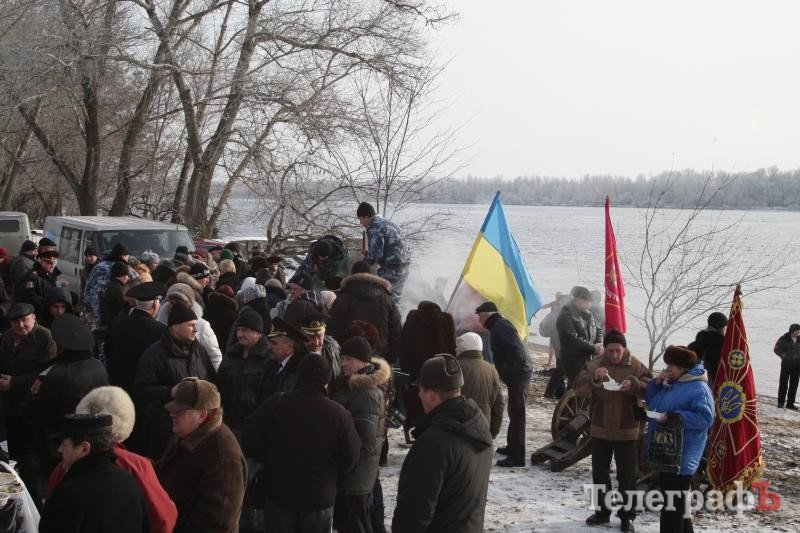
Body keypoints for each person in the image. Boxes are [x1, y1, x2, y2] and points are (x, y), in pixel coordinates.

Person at [242, 354, 361, 533]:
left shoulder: (276, 404)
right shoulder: (338, 415)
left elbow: (249, 439)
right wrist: (330, 474)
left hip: (280, 492)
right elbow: (351, 457)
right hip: (318, 495)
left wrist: (267, 459)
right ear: (326, 381)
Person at [46, 386, 179, 533]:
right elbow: (163, 518)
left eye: (64, 444)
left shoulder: (65, 467)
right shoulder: (137, 466)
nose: (60, 450)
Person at [392, 355, 493, 532]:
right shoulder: (478, 424)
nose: (419, 395)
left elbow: (414, 514)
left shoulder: (433, 443)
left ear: (432, 396)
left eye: (421, 390)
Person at [573, 329, 651, 532]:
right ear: (605, 349)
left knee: (627, 476)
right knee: (600, 474)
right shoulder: (595, 364)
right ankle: (602, 512)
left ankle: (627, 517)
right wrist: (594, 378)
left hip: (627, 429)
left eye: (618, 350)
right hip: (600, 428)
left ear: (624, 348)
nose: (614, 355)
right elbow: (577, 388)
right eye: (610, 351)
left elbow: (651, 390)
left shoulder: (636, 365)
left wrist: (634, 384)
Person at [25, 314, 109, 504]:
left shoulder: (55, 374)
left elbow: (39, 413)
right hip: (93, 440)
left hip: (61, 443)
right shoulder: (98, 367)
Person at [157, 378, 246, 533]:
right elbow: (164, 470)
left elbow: (217, 522)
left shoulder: (223, 458)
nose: (172, 414)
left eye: (180, 411)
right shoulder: (185, 434)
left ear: (202, 415)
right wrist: (136, 465)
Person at [39, 413, 150, 533]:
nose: (60, 449)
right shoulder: (129, 482)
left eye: (65, 445)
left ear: (84, 448)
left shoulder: (69, 495)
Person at [645, 346, 714, 533]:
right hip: (667, 451)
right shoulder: (674, 383)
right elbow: (653, 402)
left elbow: (705, 418)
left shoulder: (699, 388)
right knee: (678, 504)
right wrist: (656, 384)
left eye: (672, 366)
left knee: (672, 508)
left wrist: (674, 417)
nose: (668, 369)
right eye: (667, 365)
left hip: (682, 455)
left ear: (684, 367)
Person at [134, 304, 216, 459]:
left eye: (196, 325)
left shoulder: (199, 350)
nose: (195, 330)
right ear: (175, 327)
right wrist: (170, 392)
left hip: (199, 430)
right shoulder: (154, 355)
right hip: (167, 432)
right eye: (191, 325)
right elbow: (142, 391)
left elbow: (211, 381)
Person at [330, 336, 390, 533]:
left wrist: (341, 462)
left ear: (363, 361)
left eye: (349, 359)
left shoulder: (365, 393)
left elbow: (364, 442)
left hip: (355, 479)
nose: (343, 363)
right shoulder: (353, 387)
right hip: (355, 477)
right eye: (342, 358)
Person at [476, 301, 532, 467]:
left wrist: (507, 371)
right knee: (513, 411)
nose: (479, 321)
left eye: (480, 317)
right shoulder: (499, 325)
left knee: (518, 413)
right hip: (518, 372)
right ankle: (511, 446)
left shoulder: (500, 327)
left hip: (519, 373)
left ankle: (518, 457)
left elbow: (515, 350)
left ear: (486, 316)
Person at [0, 303, 57, 462]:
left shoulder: (44, 337)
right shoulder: (7, 337)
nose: (20, 325)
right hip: (9, 405)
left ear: (33, 318)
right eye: (15, 322)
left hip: (32, 404)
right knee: (14, 449)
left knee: (33, 453)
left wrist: (14, 383)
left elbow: (46, 373)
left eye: (25, 320)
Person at [398, 301, 456, 440]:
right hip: (441, 370)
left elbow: (404, 346)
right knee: (439, 400)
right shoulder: (446, 320)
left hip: (418, 371)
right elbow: (452, 347)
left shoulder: (413, 319)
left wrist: (406, 367)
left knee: (419, 400)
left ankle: (419, 429)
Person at [327, 267, 402, 364]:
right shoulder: (387, 300)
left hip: (347, 359)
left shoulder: (343, 298)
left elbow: (332, 329)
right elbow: (396, 332)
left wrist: (334, 358)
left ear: (351, 276)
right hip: (379, 359)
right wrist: (391, 359)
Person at [105, 281, 168, 396]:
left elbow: (108, 350)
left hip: (118, 382)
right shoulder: (159, 329)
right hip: (143, 387)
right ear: (155, 304)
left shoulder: (117, 321)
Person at [216, 309, 270, 437]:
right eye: (238, 330)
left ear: (257, 333)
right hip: (228, 421)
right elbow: (219, 384)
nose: (240, 334)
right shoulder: (231, 355)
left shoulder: (268, 359)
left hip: (253, 425)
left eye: (245, 330)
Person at [356, 202, 411, 303]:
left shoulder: (375, 229)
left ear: (367, 217)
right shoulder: (388, 223)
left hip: (391, 269)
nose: (360, 223)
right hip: (404, 267)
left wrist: (361, 264)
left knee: (382, 300)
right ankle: (398, 313)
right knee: (395, 299)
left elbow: (375, 256)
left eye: (360, 219)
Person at [455, 332, 505, 439]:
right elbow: (499, 404)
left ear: (463, 349)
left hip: (458, 427)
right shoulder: (492, 370)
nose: (456, 349)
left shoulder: (456, 367)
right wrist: (492, 432)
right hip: (483, 429)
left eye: (458, 347)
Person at [557, 286, 603, 383]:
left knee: (586, 385)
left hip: (587, 357)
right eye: (586, 301)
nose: (589, 305)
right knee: (576, 385)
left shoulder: (588, 314)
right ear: (577, 300)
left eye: (590, 302)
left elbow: (598, 329)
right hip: (573, 359)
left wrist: (599, 343)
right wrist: (593, 348)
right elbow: (572, 339)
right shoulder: (566, 315)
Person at [258, 317, 310, 401]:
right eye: (270, 343)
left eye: (274, 343)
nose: (269, 347)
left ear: (289, 345)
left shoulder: (299, 369)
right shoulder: (270, 365)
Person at [84, 242, 136, 321]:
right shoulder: (127, 269)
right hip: (116, 316)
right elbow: (138, 286)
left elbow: (88, 288)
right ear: (123, 256)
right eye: (127, 257)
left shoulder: (97, 267)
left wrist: (88, 308)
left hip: (95, 312)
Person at [14, 249, 60, 318]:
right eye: (49, 262)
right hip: (37, 314)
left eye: (55, 263)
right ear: (41, 261)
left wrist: (59, 287)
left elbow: (55, 288)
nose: (52, 266)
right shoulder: (32, 276)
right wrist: (48, 304)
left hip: (48, 312)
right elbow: (29, 295)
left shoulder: (51, 274)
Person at [688, 311, 728, 387]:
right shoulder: (724, 348)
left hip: (691, 384)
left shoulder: (692, 346)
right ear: (722, 328)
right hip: (714, 387)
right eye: (725, 328)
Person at [774, 323, 800, 409]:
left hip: (797, 366)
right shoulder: (784, 338)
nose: (798, 332)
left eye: (799, 331)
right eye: (797, 331)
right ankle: (780, 403)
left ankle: (790, 404)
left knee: (794, 386)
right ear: (792, 331)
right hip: (786, 365)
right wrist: (784, 356)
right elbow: (776, 349)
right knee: (783, 385)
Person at [98, 262, 130, 328]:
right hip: (114, 326)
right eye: (127, 275)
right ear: (123, 275)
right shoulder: (121, 290)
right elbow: (120, 310)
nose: (128, 278)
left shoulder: (106, 286)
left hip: (104, 323)